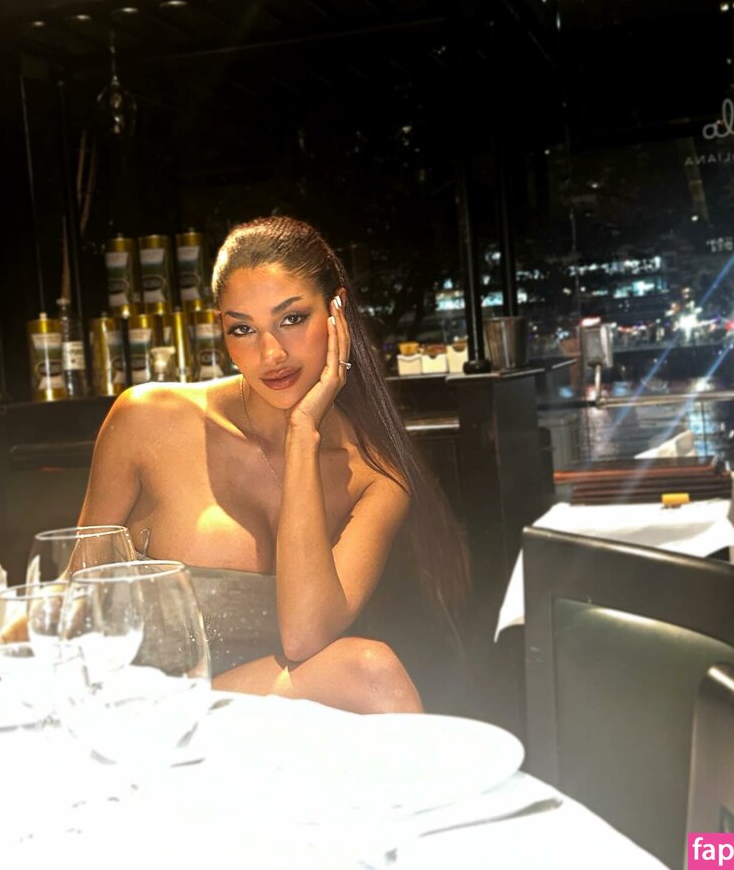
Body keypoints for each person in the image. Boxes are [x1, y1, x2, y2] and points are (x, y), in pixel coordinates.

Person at [78, 216, 469, 713]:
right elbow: (74, 597)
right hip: (132, 706)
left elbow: (304, 638)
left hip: (253, 711)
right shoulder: (149, 419)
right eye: (243, 329)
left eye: (292, 319)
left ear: (337, 312)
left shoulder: (376, 478)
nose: (270, 353)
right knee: (370, 670)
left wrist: (303, 433)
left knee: (371, 669)